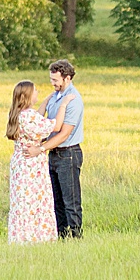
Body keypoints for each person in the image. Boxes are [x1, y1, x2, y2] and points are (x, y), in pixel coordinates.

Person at [5, 79, 57, 244]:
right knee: (34, 200)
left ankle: (20, 236)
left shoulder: (19, 114)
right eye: (35, 91)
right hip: (32, 163)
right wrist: (63, 107)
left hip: (20, 163)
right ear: (28, 95)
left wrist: (47, 101)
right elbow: (53, 126)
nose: (37, 93)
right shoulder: (28, 116)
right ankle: (36, 237)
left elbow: (37, 117)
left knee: (22, 201)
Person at [36, 59, 84, 238]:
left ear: (68, 78)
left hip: (68, 154)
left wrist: (41, 149)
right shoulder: (55, 96)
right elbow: (42, 122)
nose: (52, 83)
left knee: (70, 201)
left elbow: (64, 134)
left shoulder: (74, 100)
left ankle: (76, 238)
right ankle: (62, 237)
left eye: (56, 80)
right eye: (51, 79)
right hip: (54, 154)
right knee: (57, 201)